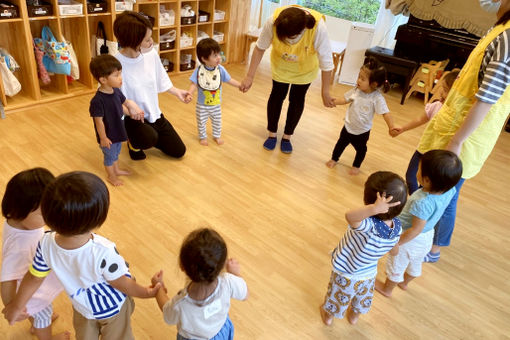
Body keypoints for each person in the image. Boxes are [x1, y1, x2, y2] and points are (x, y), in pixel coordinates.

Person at [2, 171, 161, 339]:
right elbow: (121, 283)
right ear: (98, 220)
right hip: (112, 309)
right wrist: (147, 292)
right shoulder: (104, 251)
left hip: (82, 308)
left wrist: (16, 306)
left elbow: (34, 278)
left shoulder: (45, 243)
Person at [412, 0, 510, 263]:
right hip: (450, 128)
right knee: (419, 179)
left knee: (443, 194)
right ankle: (417, 230)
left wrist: (456, 142)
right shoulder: (500, 28)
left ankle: (434, 246)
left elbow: (487, 98)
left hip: (462, 137)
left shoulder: (508, 37)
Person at [239, 5, 335, 154]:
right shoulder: (273, 21)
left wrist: (325, 91)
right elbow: (260, 48)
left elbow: (327, 61)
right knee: (277, 96)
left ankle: (287, 137)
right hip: (281, 67)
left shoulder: (318, 27)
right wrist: (249, 76)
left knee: (297, 100)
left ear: (300, 31)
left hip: (305, 69)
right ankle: (272, 134)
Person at [319, 171, 407, 326]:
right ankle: (353, 317)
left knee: (338, 296)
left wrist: (373, 209)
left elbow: (349, 216)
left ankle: (328, 317)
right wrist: (391, 248)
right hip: (367, 274)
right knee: (362, 298)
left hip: (346, 272)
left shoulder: (367, 225)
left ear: (368, 201)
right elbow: (394, 250)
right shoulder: (396, 229)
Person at [374, 150, 462, 297]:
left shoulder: (422, 201)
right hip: (428, 236)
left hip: (411, 239)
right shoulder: (450, 190)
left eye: (419, 169)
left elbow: (415, 229)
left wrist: (397, 243)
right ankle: (405, 283)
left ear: (426, 180)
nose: (417, 171)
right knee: (415, 263)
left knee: (397, 264)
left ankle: (387, 289)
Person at [1, 168, 70, 340]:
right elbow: (6, 278)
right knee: (42, 315)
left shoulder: (18, 221)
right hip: (30, 295)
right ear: (20, 210)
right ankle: (45, 336)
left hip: (31, 283)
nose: (50, 217)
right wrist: (12, 306)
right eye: (44, 214)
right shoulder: (19, 246)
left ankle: (37, 319)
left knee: (40, 314)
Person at [113, 11, 191, 161]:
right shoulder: (114, 65)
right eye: (147, 39)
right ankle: (133, 143)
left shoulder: (151, 54)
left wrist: (177, 92)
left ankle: (149, 135)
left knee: (178, 151)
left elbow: (161, 78)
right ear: (133, 40)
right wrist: (130, 111)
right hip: (132, 119)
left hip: (154, 114)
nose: (151, 42)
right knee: (148, 139)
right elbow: (110, 102)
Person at [152, 228, 248, 340]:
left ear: (182, 266)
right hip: (221, 333)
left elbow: (167, 313)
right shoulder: (228, 281)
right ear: (222, 266)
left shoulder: (180, 303)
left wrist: (158, 289)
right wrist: (235, 273)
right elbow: (245, 294)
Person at [390, 71, 459, 194]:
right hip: (423, 148)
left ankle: (418, 205)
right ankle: (414, 199)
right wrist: (403, 128)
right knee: (411, 175)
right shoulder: (436, 106)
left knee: (428, 184)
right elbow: (420, 119)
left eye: (446, 90)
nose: (442, 93)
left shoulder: (457, 115)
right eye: (442, 88)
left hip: (437, 157)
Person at [325, 57, 394, 175]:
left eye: (363, 79)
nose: (358, 80)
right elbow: (345, 99)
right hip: (348, 126)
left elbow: (386, 113)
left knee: (361, 150)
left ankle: (356, 166)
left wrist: (391, 126)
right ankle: (334, 159)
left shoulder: (376, 98)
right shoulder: (356, 90)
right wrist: (333, 101)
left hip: (362, 131)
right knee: (340, 144)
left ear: (374, 84)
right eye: (359, 77)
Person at [89, 54, 144, 186]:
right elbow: (99, 121)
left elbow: (124, 105)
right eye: (116, 75)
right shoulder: (97, 101)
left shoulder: (116, 91)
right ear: (103, 79)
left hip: (118, 130)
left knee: (116, 153)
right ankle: (111, 176)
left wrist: (134, 113)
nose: (120, 78)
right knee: (109, 156)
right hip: (108, 136)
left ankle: (117, 170)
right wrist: (103, 138)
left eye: (120, 74)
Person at [188, 38, 241, 146]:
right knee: (201, 122)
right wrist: (190, 93)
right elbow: (194, 83)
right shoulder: (199, 70)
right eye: (214, 55)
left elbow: (229, 79)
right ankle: (202, 137)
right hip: (202, 105)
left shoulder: (220, 69)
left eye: (219, 54)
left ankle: (217, 135)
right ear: (204, 59)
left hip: (216, 104)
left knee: (217, 121)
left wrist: (240, 85)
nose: (218, 58)